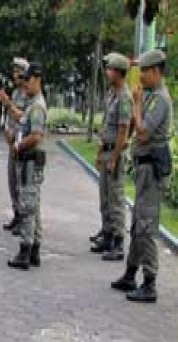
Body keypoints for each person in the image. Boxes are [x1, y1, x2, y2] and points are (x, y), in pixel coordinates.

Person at [111, 49, 173, 303]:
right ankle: (130, 273)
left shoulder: (160, 100)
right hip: (143, 169)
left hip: (152, 170)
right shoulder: (150, 96)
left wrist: (136, 104)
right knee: (137, 223)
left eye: (145, 72)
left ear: (156, 71)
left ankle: (150, 283)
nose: (142, 77)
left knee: (146, 226)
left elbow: (144, 132)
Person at [5, 62, 47, 270]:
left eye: (28, 80)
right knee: (33, 206)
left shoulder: (37, 105)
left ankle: (25, 251)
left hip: (30, 161)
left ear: (37, 79)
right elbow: (23, 119)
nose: (25, 84)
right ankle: (35, 250)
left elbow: (36, 135)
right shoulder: (32, 104)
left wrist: (19, 145)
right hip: (28, 160)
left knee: (28, 206)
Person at [91, 52, 132, 261]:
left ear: (118, 72)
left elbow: (124, 130)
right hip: (106, 150)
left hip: (115, 152)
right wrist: (100, 153)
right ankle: (107, 234)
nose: (107, 72)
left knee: (116, 198)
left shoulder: (124, 97)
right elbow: (106, 126)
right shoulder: (111, 94)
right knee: (105, 197)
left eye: (110, 69)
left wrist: (115, 157)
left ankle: (118, 241)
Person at [0, 57, 29, 234]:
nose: (15, 75)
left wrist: (7, 103)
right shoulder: (16, 93)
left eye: (19, 72)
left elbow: (23, 118)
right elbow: (10, 118)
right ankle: (17, 214)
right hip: (13, 145)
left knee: (21, 183)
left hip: (23, 144)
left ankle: (24, 219)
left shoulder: (27, 95)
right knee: (12, 181)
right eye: (14, 71)